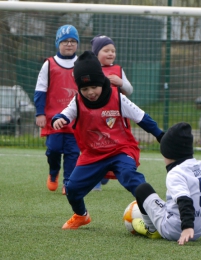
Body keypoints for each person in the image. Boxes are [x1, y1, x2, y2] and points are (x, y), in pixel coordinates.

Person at [52, 51, 164, 230]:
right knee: (72, 189)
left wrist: (160, 135)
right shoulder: (77, 101)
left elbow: (141, 117)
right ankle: (81, 215)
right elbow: (65, 113)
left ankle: (157, 212)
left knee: (130, 177)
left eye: (94, 87)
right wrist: (59, 119)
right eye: (85, 89)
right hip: (93, 154)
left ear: (102, 82)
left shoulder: (117, 98)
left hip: (121, 150)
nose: (90, 92)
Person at [132, 122, 201, 245]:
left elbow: (184, 200)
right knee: (169, 202)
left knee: (142, 189)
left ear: (169, 153)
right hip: (199, 230)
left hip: (175, 229)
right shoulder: (200, 167)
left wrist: (187, 227)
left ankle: (151, 229)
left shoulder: (176, 173)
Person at [34, 25, 80, 195]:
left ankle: (68, 183)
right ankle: (53, 172)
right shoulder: (49, 64)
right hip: (54, 119)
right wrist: (40, 113)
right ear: (58, 43)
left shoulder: (82, 64)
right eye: (65, 41)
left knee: (73, 153)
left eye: (73, 41)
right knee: (53, 150)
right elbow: (40, 90)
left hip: (76, 119)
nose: (69, 44)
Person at [91, 34, 133, 190]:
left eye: (113, 51)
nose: (110, 54)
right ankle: (94, 181)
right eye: (106, 50)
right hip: (95, 117)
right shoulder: (91, 70)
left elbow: (129, 90)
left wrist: (120, 82)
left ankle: (106, 173)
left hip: (114, 119)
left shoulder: (118, 70)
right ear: (96, 54)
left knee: (113, 147)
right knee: (95, 146)